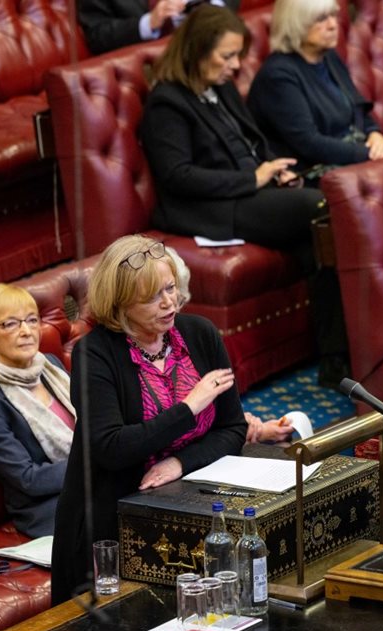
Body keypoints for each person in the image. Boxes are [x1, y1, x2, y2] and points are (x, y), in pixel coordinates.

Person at [139, 5, 347, 384]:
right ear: (197, 51)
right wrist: (254, 178)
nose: (235, 65)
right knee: (322, 205)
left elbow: (254, 141)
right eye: (227, 56)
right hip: (213, 207)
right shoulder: (167, 102)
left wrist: (277, 171)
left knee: (314, 243)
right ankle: (340, 353)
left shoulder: (220, 87)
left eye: (237, 55)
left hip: (252, 191)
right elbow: (178, 176)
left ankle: (335, 357)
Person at [51, 235, 247, 602]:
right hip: (112, 526)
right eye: (152, 296)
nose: (169, 302)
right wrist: (189, 408)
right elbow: (111, 448)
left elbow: (233, 428)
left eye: (170, 288)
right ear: (121, 303)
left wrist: (179, 462)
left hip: (187, 509)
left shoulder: (200, 334)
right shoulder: (93, 355)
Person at [0, 285, 73, 538]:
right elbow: (28, 479)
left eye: (32, 320)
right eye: (10, 324)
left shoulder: (50, 367)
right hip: (49, 507)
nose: (26, 332)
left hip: (94, 484)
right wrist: (93, 464)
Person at [162, 244, 298, 444]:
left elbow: (224, 421)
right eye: (154, 296)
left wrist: (249, 429)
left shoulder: (197, 333)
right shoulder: (117, 354)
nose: (170, 306)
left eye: (175, 295)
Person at [246, 0, 383, 182]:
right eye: (321, 19)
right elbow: (308, 143)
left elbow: (357, 107)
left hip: (348, 155)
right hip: (310, 171)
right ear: (296, 24)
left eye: (333, 16)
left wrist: (375, 134)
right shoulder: (278, 75)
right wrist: (367, 153)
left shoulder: (327, 55)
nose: (333, 25)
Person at [77, 0, 240, 55]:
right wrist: (149, 23)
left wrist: (209, 6)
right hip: (153, 63)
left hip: (213, 39)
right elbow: (97, 35)